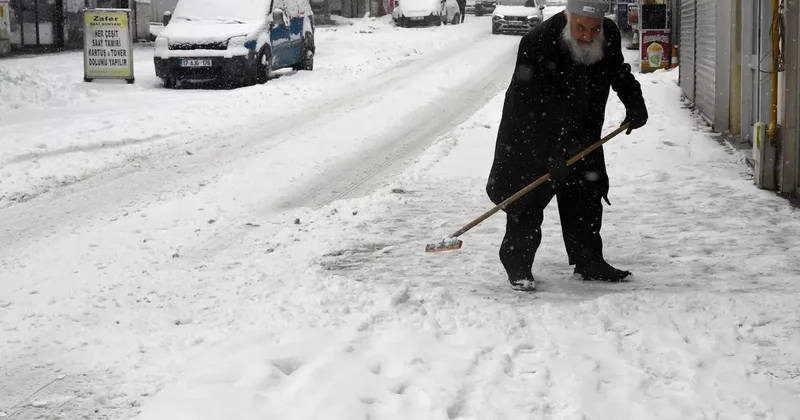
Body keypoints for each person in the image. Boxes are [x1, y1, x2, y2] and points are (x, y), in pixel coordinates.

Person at [485, 0, 648, 292]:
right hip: (532, 135)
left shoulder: (607, 34)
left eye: (593, 29)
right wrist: (549, 153)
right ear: (567, 17)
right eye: (581, 28)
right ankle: (518, 264)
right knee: (528, 202)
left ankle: (589, 262)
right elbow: (524, 106)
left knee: (586, 194)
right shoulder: (538, 41)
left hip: (583, 134)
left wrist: (634, 102)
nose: (587, 35)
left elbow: (618, 72)